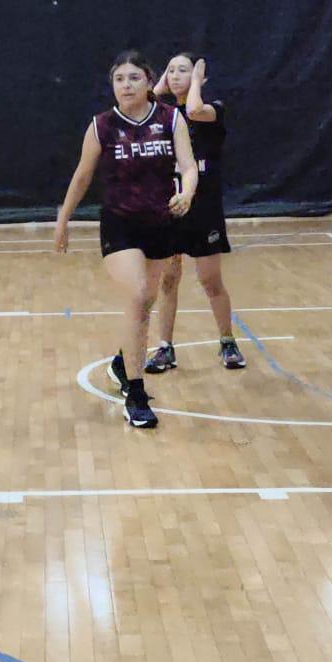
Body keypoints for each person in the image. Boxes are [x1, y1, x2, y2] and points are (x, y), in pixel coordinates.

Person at [53, 52, 198, 428]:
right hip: (120, 224)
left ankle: (122, 361)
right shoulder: (102, 125)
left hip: (161, 223)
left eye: (134, 78)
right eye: (119, 79)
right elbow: (82, 175)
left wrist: (187, 193)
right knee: (137, 294)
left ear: (149, 82)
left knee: (145, 302)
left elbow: (188, 166)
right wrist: (63, 219)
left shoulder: (170, 119)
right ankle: (135, 393)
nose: (126, 85)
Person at [146, 54, 245, 373]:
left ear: (200, 77)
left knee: (210, 279)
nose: (175, 76)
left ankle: (227, 341)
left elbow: (193, 110)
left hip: (204, 209)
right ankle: (165, 347)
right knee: (169, 279)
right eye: (171, 71)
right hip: (171, 208)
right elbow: (140, 105)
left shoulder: (213, 109)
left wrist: (197, 80)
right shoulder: (162, 114)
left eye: (183, 71)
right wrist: (162, 84)